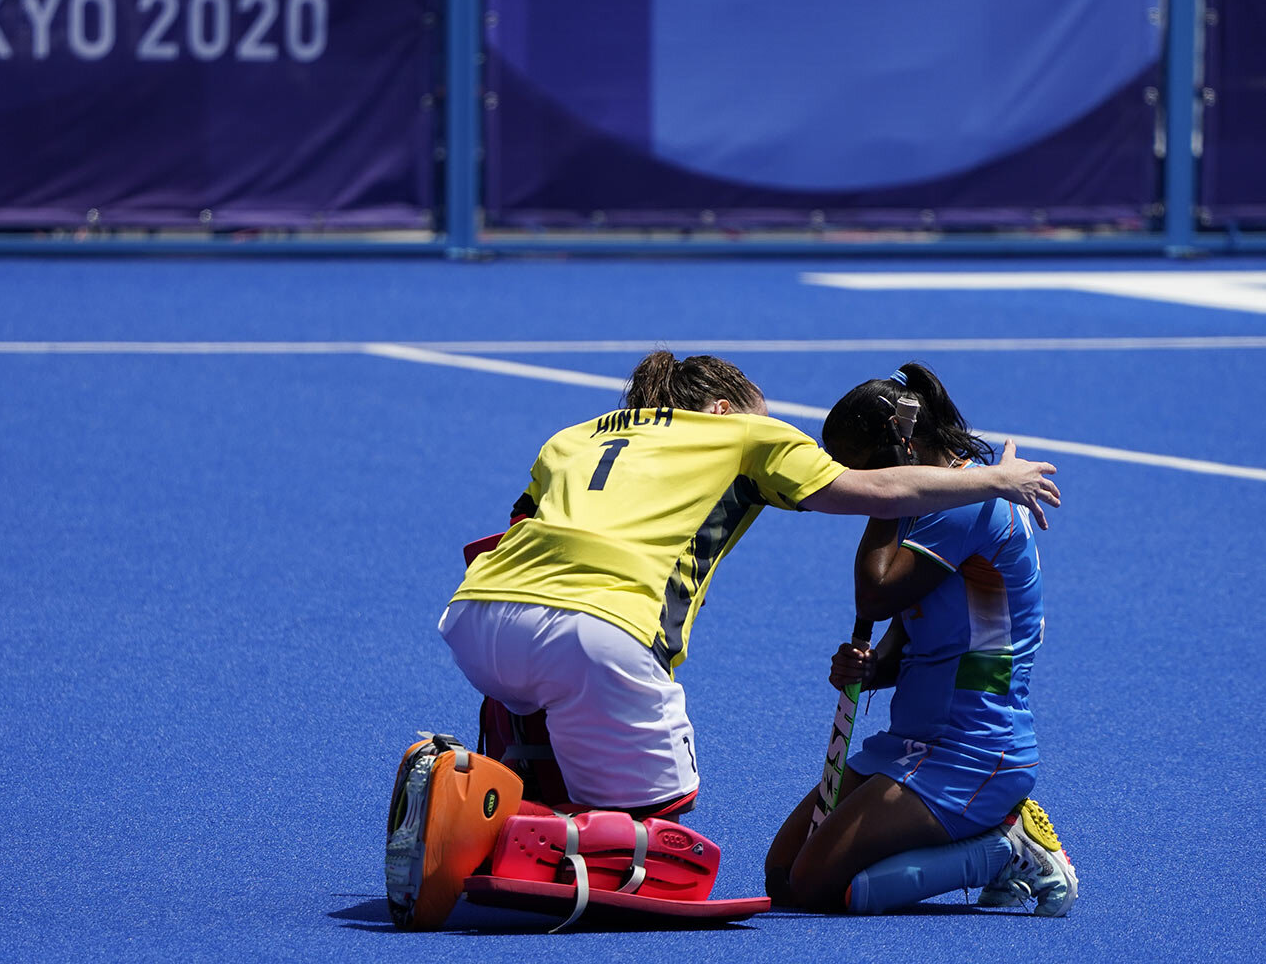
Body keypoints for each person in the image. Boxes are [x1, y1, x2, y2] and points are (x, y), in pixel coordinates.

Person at [438, 351, 1060, 822]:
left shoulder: (575, 435)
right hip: (598, 631)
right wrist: (995, 481)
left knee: (529, 688)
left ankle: (500, 787)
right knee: (654, 831)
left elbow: (512, 531)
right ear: (720, 410)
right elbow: (875, 491)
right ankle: (557, 836)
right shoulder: (743, 434)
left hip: (475, 621)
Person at [762, 362, 1077, 916]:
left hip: (973, 751)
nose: (847, 482)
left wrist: (889, 492)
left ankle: (1003, 851)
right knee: (784, 875)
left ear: (895, 451)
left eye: (854, 467)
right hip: (912, 740)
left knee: (817, 888)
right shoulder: (936, 499)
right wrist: (872, 668)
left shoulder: (972, 504)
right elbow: (908, 634)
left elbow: (876, 595)